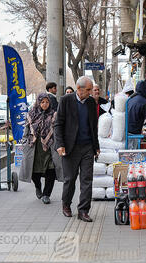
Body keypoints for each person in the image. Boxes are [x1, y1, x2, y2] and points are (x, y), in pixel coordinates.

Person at [54, 76, 99, 222]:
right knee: (70, 179)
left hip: (87, 147)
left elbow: (94, 126)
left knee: (87, 179)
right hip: (70, 147)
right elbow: (58, 124)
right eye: (88, 90)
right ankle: (66, 205)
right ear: (79, 89)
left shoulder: (91, 102)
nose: (91, 92)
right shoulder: (66, 100)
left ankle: (83, 210)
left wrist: (96, 146)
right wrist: (60, 144)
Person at [19, 93, 63, 204]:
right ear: (38, 102)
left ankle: (46, 194)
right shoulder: (31, 114)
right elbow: (26, 130)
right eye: (42, 102)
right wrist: (24, 143)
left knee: (51, 171)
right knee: (34, 172)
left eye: (47, 102)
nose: (45, 104)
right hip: (34, 147)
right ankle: (38, 187)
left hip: (50, 146)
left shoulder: (54, 115)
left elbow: (58, 130)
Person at [127, 80, 146, 149]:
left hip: (127, 131)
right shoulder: (144, 101)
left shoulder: (130, 99)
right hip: (135, 133)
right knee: (134, 152)